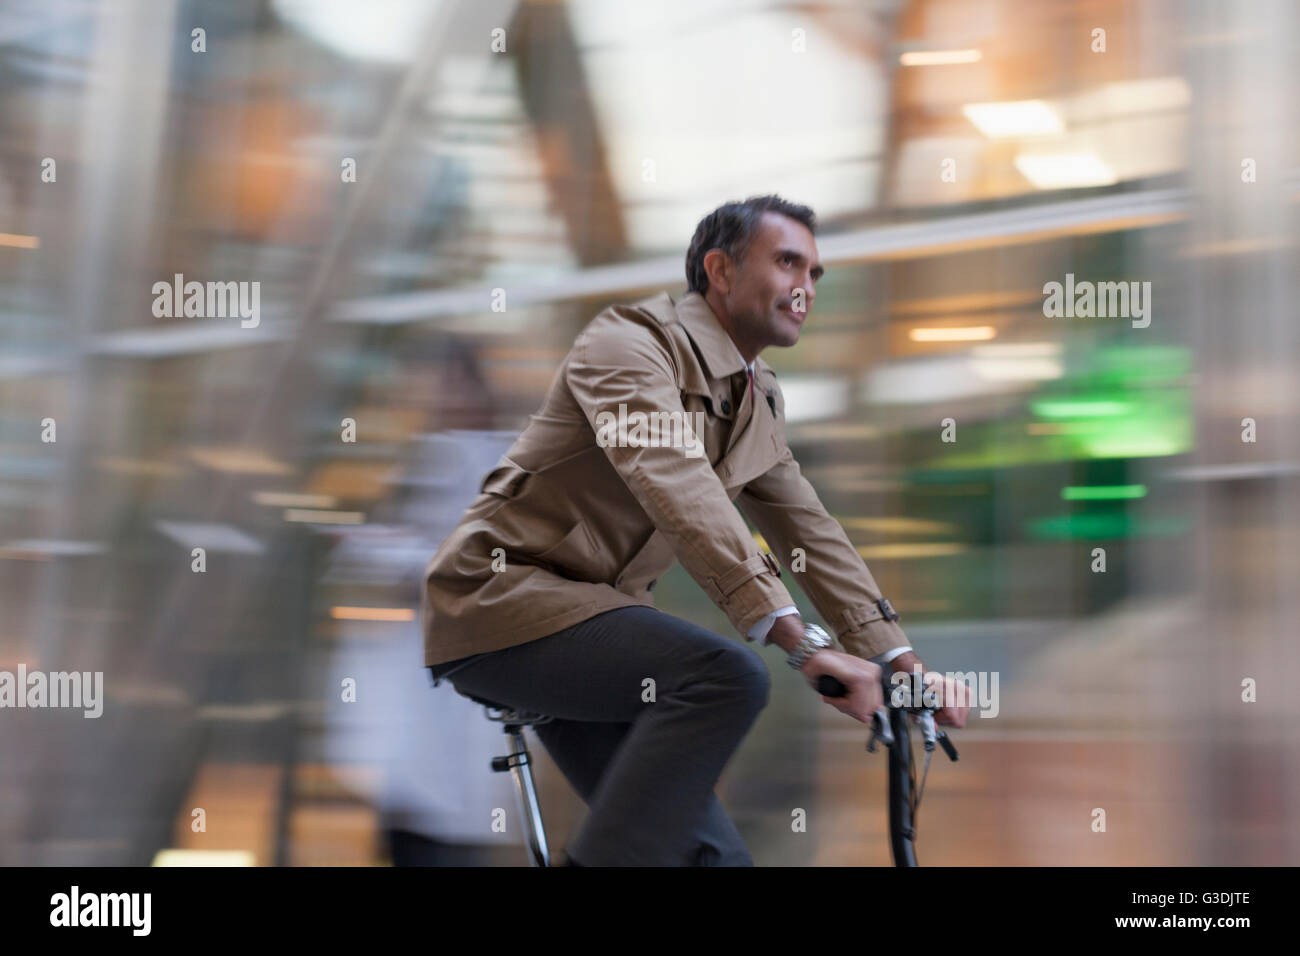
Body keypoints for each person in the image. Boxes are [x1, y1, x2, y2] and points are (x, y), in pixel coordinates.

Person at [422, 194, 970, 867]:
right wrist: (800, 644)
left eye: (815, 274)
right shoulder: (627, 346)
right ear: (720, 270)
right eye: (789, 263)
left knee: (712, 860)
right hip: (502, 604)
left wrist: (903, 666)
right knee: (727, 677)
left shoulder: (756, 396)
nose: (805, 287)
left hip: (593, 627)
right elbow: (677, 483)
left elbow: (809, 531)